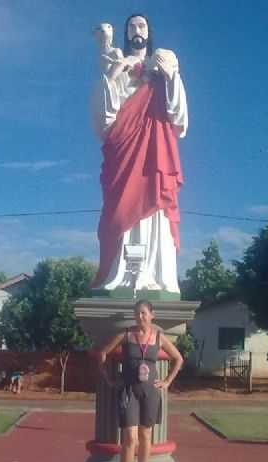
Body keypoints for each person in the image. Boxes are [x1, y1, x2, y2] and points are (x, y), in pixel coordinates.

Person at [92, 14, 188, 294]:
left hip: (155, 149)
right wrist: (115, 70)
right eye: (132, 26)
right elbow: (105, 114)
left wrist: (169, 75)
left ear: (149, 32)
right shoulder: (120, 64)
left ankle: (154, 274)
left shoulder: (163, 64)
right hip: (124, 148)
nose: (137, 30)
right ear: (126, 33)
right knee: (118, 206)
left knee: (155, 202)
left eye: (142, 26)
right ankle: (120, 275)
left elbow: (179, 116)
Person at [98, 300, 183, 462]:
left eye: (144, 313)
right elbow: (102, 353)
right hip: (129, 391)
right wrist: (108, 379)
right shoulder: (126, 335)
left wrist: (167, 382)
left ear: (152, 315)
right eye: (137, 313)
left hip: (150, 393)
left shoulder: (159, 337)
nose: (140, 317)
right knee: (129, 437)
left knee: (146, 436)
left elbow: (178, 358)